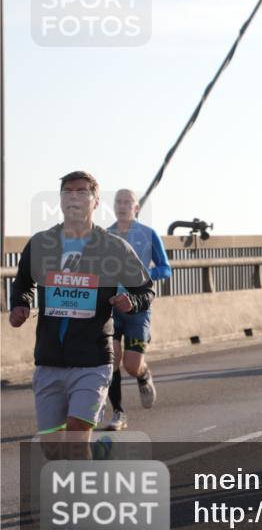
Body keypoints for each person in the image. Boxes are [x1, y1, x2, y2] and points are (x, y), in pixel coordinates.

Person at [9, 171, 154, 457]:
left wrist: (131, 303)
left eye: (82, 191)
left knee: (76, 440)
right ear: (60, 200)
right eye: (68, 191)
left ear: (95, 202)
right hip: (50, 359)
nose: (74, 196)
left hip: (93, 360)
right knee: (52, 448)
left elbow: (146, 290)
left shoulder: (112, 247)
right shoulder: (41, 243)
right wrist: (20, 305)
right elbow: (23, 282)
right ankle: (98, 459)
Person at [101, 189, 172, 431]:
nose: (122, 206)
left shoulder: (148, 235)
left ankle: (143, 375)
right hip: (112, 306)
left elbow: (165, 268)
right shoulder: (105, 235)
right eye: (118, 202)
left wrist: (144, 275)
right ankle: (118, 413)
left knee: (132, 365)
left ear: (136, 207)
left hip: (139, 307)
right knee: (112, 361)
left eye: (127, 202)